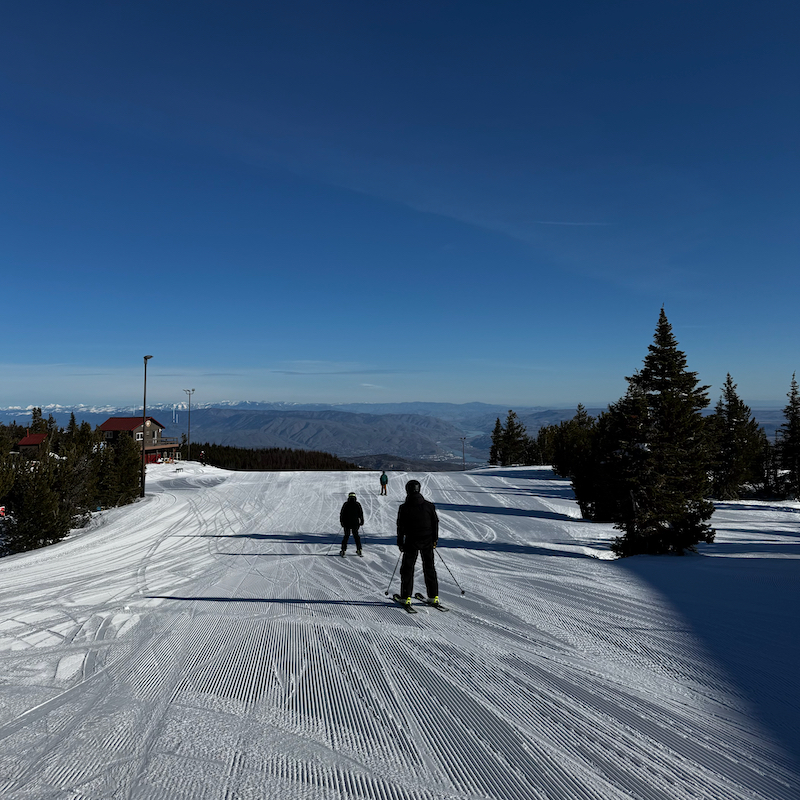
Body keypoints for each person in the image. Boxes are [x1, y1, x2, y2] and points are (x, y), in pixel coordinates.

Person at [396, 479, 439, 605]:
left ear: (407, 490)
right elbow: (435, 523)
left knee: (407, 569)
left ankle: (406, 597)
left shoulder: (404, 507)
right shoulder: (429, 506)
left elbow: (401, 527)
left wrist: (400, 542)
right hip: (427, 541)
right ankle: (433, 596)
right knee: (429, 567)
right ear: (419, 489)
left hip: (411, 541)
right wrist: (434, 540)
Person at [339, 491, 364, 556]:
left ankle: (343, 550)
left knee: (346, 536)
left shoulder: (346, 504)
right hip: (355, 523)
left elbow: (342, 514)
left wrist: (341, 522)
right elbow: (360, 514)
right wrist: (361, 521)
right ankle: (359, 549)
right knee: (356, 536)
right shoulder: (357, 504)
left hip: (346, 523)